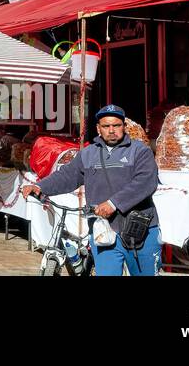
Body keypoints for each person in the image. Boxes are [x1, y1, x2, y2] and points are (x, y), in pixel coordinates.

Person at [20, 104, 160, 276]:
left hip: (140, 232)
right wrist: (40, 186)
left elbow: (146, 181)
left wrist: (113, 203)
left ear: (124, 126)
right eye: (106, 126)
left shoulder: (140, 151)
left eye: (116, 125)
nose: (111, 130)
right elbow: (67, 176)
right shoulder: (88, 154)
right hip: (103, 232)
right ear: (98, 128)